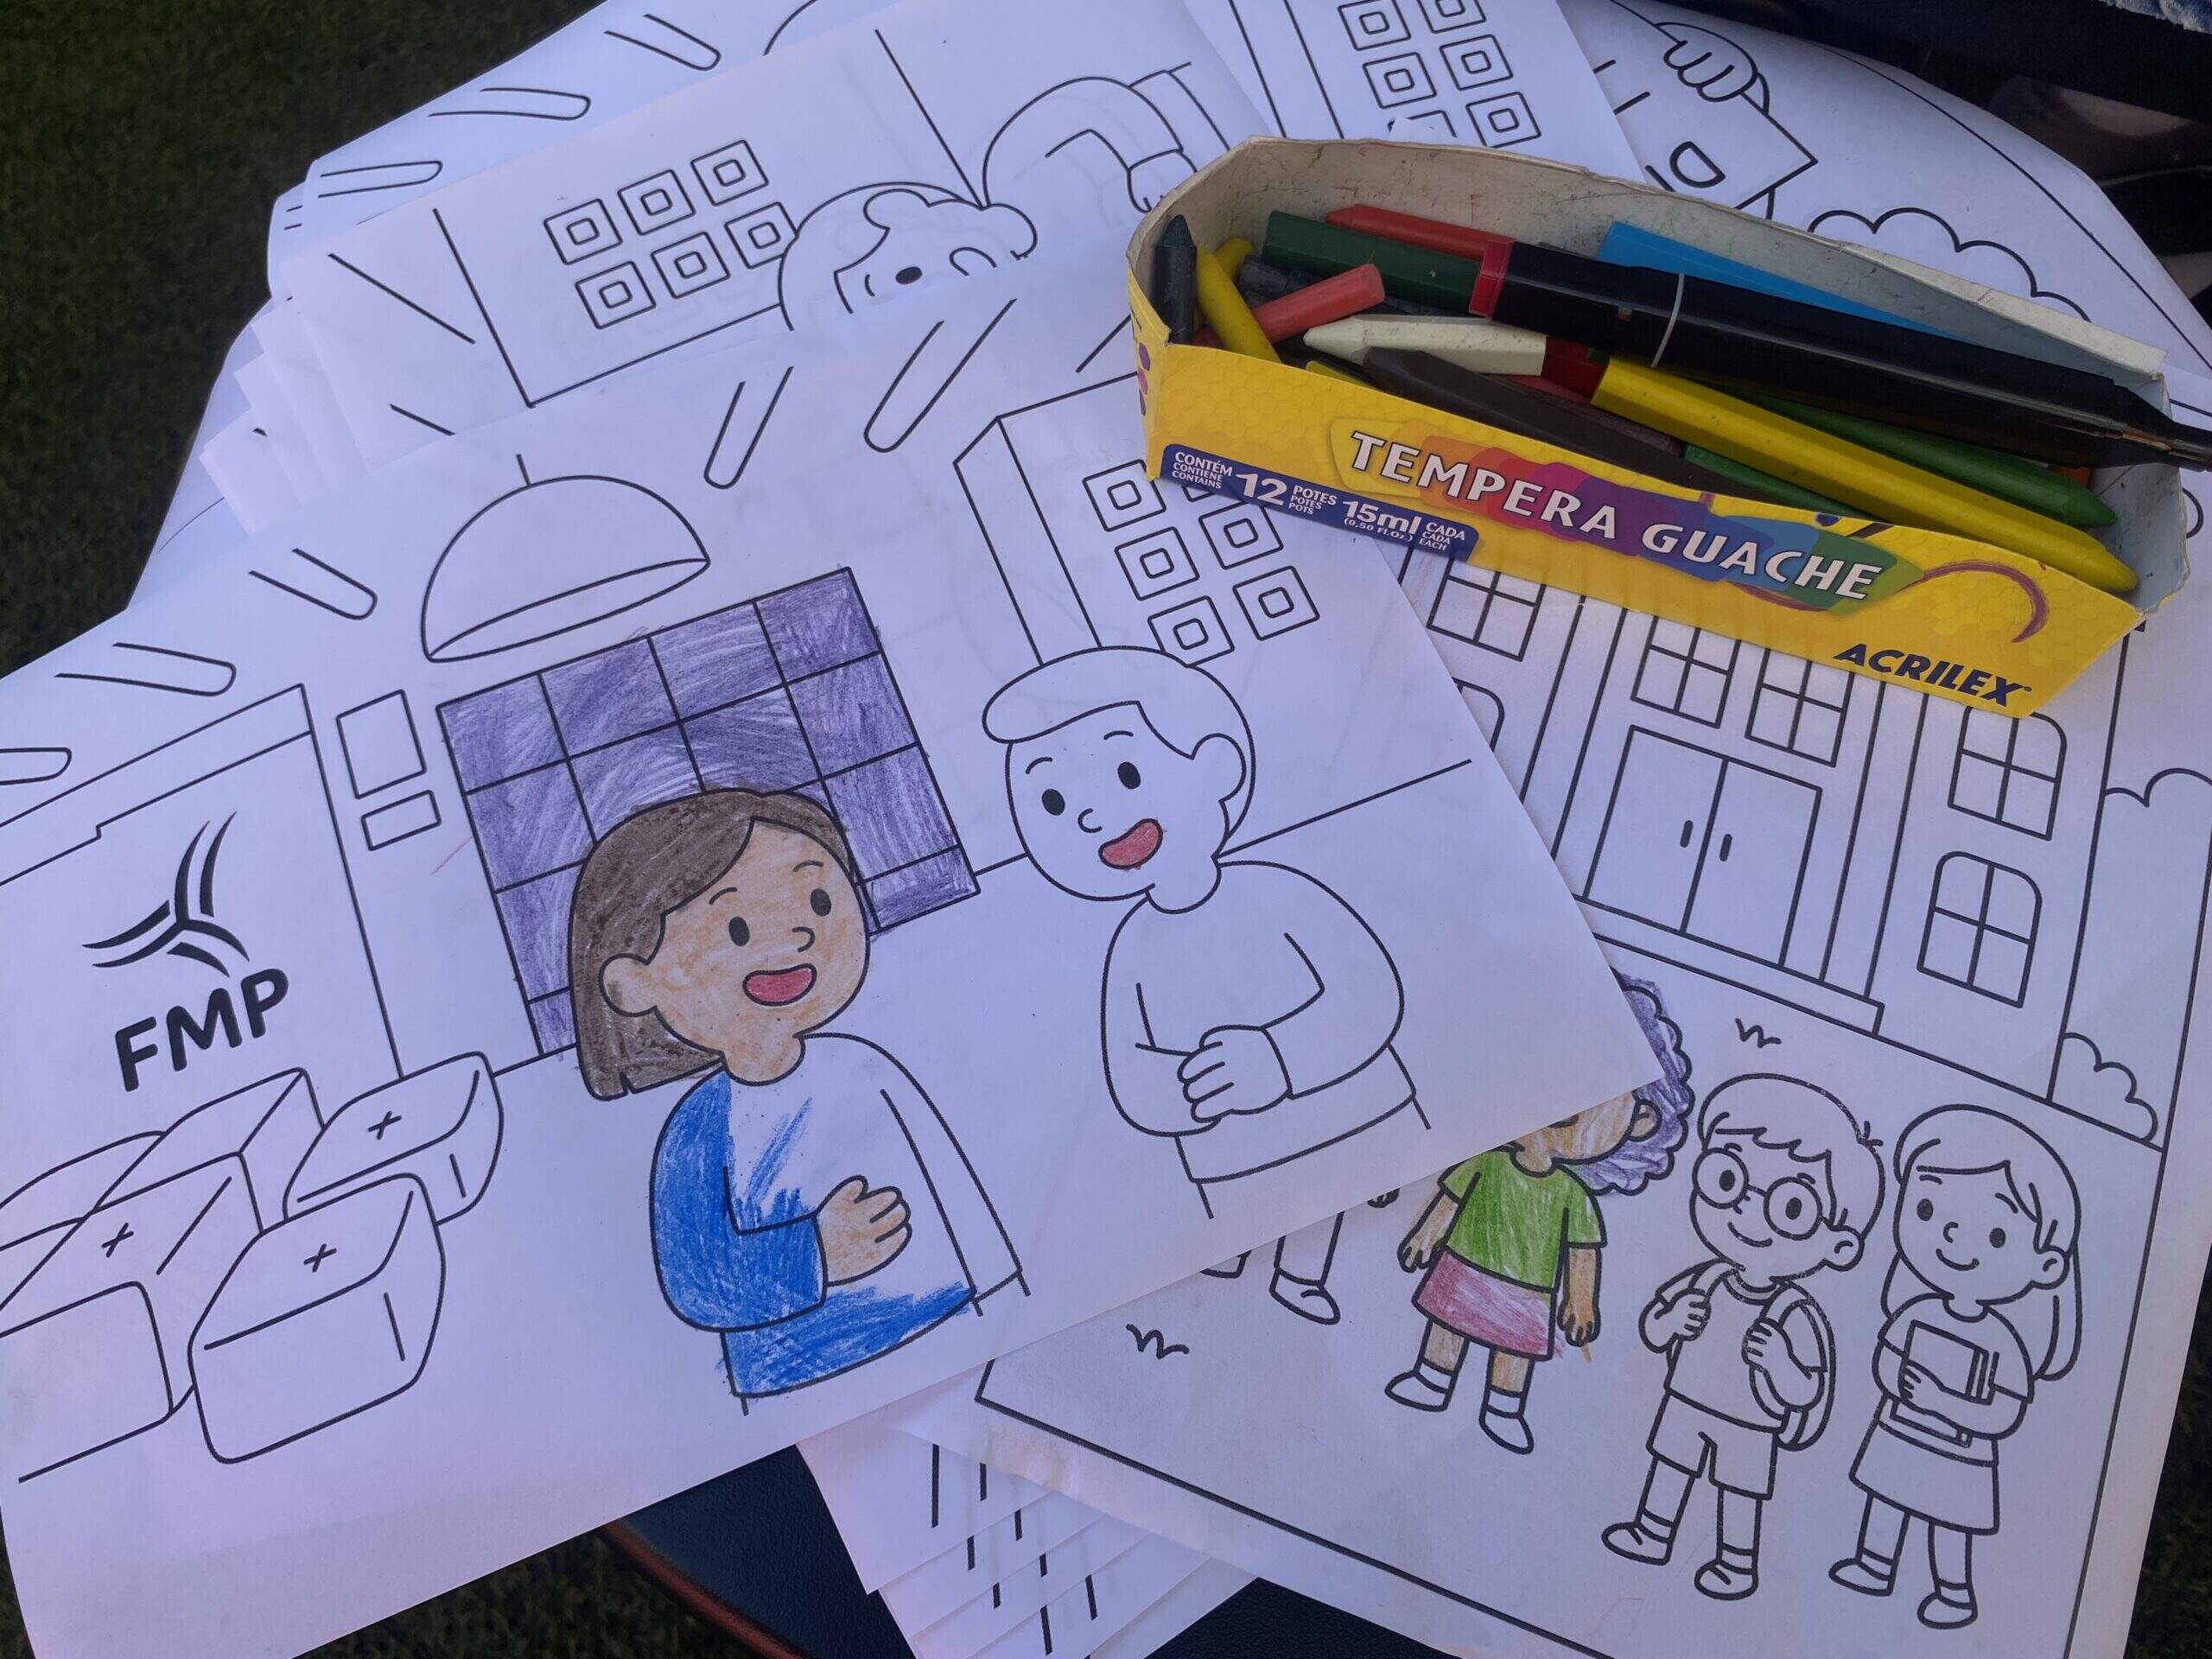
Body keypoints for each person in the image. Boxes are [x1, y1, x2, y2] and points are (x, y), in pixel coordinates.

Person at [569, 789, 1017, 1403]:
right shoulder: (697, 1131)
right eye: (737, 929)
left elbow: (953, 1187)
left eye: (819, 901)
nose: (797, 937)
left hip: (953, 1322)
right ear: (633, 984)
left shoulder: (864, 1066)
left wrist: (1005, 1292)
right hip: (799, 1381)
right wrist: (816, 1254)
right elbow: (697, 1282)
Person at [982, 647, 1424, 1217]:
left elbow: (1368, 992)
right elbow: (1133, 1073)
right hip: (1235, 1175)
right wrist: (1191, 1093)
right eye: (1054, 802)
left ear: (1217, 766)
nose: (1092, 817)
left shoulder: (1281, 892)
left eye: (1127, 773)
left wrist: (1280, 1060)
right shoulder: (1130, 953)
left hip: (1374, 1128)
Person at [1602, 1073, 1883, 1599]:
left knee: (1740, 1492)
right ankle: (1653, 1532)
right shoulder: (1707, 1278)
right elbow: (1654, 1329)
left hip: (1752, 1424)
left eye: (1792, 1207)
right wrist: (1671, 1320)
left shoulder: (1793, 1310)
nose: (1747, 1211)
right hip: (1687, 1400)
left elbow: (1807, 1391)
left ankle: (1736, 1563)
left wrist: (1780, 1363)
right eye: (1728, 1180)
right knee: (1670, 1466)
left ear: (1839, 1247)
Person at [1386, 975, 1694, 1452]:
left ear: (1640, 1121)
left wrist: (1581, 1301)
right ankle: (1431, 1378)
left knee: (1514, 1349)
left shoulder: (1573, 1196)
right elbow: (1449, 1199)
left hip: (1529, 1291)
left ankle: (1504, 1406)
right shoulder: (1486, 1162)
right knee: (1447, 1324)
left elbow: (1583, 1253)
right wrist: (1426, 1236)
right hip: (1465, 1267)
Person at [1828, 1106, 2082, 1630]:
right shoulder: (1917, 1312)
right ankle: (1874, 1565)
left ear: (2047, 1265)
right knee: (1886, 1498)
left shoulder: (2002, 1341)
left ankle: (1954, 1592)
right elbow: (1888, 1357)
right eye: (1926, 1208)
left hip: (1961, 1456)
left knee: (1950, 1522)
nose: (1950, 1237)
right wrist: (1896, 1382)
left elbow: (2005, 1412)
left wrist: (1943, 1403)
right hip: (1900, 1432)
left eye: (1996, 1236)